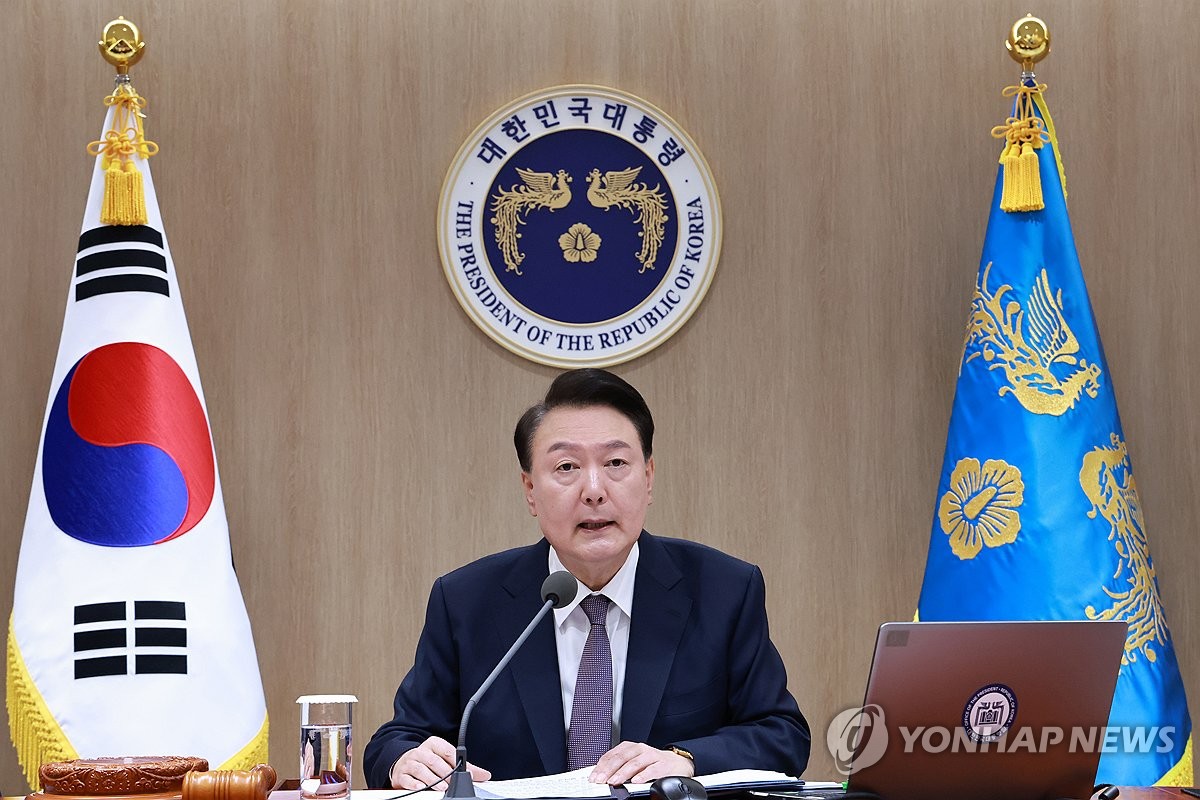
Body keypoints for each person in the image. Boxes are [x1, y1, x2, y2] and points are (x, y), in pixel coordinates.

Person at [363, 369, 810, 789]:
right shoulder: (466, 601)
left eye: (616, 463)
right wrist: (406, 761)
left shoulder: (724, 590)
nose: (594, 489)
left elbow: (783, 735)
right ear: (530, 491)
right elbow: (395, 740)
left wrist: (686, 759)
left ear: (649, 478)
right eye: (566, 468)